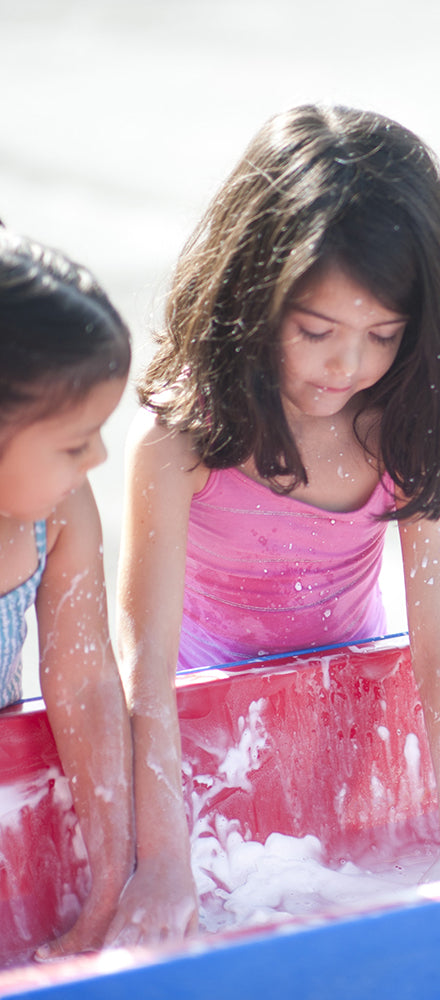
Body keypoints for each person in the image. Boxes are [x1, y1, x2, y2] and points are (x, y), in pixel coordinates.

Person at [116, 104, 440, 941]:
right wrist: (164, 865)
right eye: (316, 330)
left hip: (343, 709)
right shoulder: (183, 436)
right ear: (253, 291)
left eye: (382, 336)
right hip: (200, 720)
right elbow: (142, 674)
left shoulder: (405, 430)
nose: (346, 366)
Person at [0, 229, 136, 957]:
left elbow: (83, 680)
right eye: (76, 440)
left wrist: (110, 878)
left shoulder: (60, 508)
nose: (101, 457)